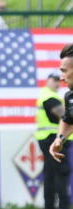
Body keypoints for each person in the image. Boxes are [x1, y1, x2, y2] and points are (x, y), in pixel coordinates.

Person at [35, 73, 70, 209]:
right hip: (54, 139)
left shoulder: (46, 95)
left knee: (50, 173)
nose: (57, 83)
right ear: (47, 81)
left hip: (47, 138)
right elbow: (64, 115)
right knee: (61, 172)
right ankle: (63, 206)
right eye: (54, 80)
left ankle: (49, 208)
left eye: (58, 81)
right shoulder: (50, 97)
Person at [50, 44, 73, 179]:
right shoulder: (70, 96)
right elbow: (68, 120)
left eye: (64, 71)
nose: (61, 77)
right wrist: (59, 139)